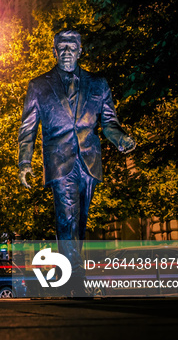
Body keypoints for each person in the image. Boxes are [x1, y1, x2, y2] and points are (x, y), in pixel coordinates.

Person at [17, 30, 135, 286]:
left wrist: (120, 139)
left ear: (81, 51)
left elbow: (109, 122)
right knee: (67, 215)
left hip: (89, 161)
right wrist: (24, 162)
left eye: (72, 46)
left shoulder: (98, 84)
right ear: (54, 51)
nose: (67, 51)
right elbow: (28, 128)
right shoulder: (39, 85)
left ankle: (67, 268)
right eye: (62, 46)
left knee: (79, 221)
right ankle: (74, 277)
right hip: (59, 161)